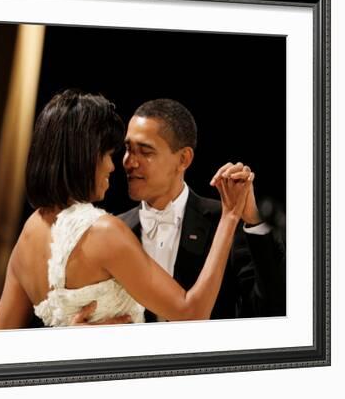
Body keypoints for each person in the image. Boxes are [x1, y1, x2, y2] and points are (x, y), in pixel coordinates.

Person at [0, 90, 255, 329]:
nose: (114, 166)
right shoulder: (104, 231)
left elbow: (0, 343)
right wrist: (230, 216)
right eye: (108, 154)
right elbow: (192, 313)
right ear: (84, 157)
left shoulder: (28, 232)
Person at [76, 98, 284, 323]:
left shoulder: (224, 221)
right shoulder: (112, 230)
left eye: (145, 151)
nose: (129, 162)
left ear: (183, 159)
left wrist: (253, 221)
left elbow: (270, 309)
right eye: (128, 149)